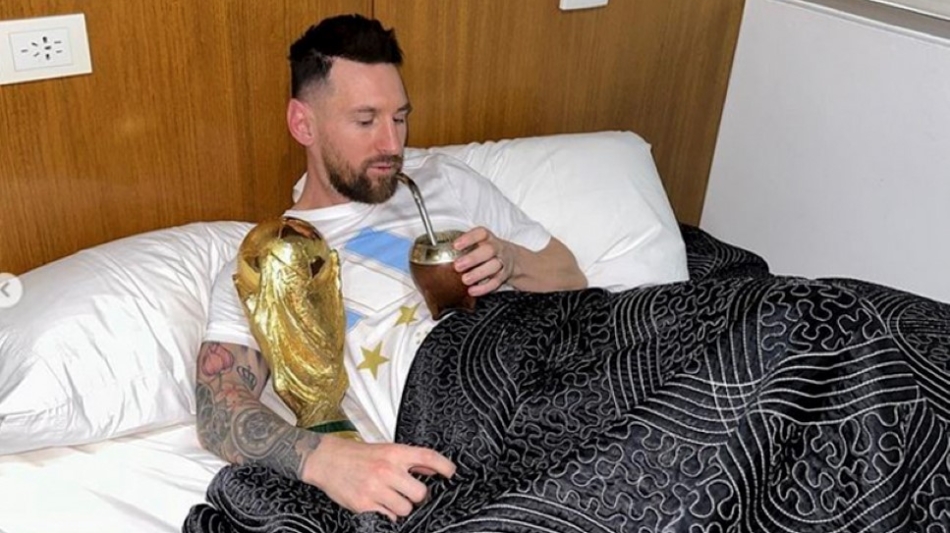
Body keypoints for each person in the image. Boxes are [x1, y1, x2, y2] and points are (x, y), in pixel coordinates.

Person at [195, 14, 587, 522]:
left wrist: (511, 261)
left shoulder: (442, 176)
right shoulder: (273, 260)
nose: (392, 144)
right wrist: (325, 460)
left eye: (399, 118)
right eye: (366, 121)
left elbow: (571, 276)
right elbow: (217, 408)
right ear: (303, 124)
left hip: (555, 347)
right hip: (467, 405)